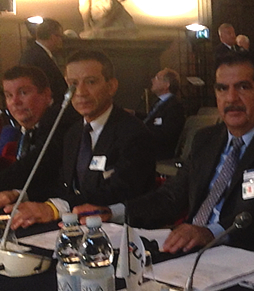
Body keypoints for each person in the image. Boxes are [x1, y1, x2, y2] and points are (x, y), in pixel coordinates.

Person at [74, 52, 254, 256]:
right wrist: (114, 212)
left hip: (246, 256)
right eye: (222, 89)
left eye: (243, 87)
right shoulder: (206, 139)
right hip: (190, 252)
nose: (231, 98)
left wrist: (212, 232)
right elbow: (171, 196)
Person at [5, 50, 156, 229]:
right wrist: (20, 195)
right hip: (76, 228)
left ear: (111, 86)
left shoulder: (133, 132)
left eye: (91, 82)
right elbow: (65, 187)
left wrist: (54, 208)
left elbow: (119, 190)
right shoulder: (73, 133)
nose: (80, 92)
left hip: (122, 230)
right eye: (73, 84)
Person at [0, 66, 78, 204]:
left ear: (47, 95)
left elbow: (34, 168)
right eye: (9, 95)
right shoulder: (27, 130)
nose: (15, 102)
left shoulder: (60, 121)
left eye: (23, 93)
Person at [19, 18, 68, 106]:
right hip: (44, 107)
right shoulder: (35, 56)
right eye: (60, 36)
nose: (61, 40)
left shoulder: (36, 53)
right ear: (53, 36)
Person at [142, 68, 185, 161]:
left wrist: (141, 134)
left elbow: (167, 135)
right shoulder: (158, 102)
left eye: (157, 78)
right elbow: (151, 119)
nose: (152, 80)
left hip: (159, 152)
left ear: (167, 84)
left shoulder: (174, 106)